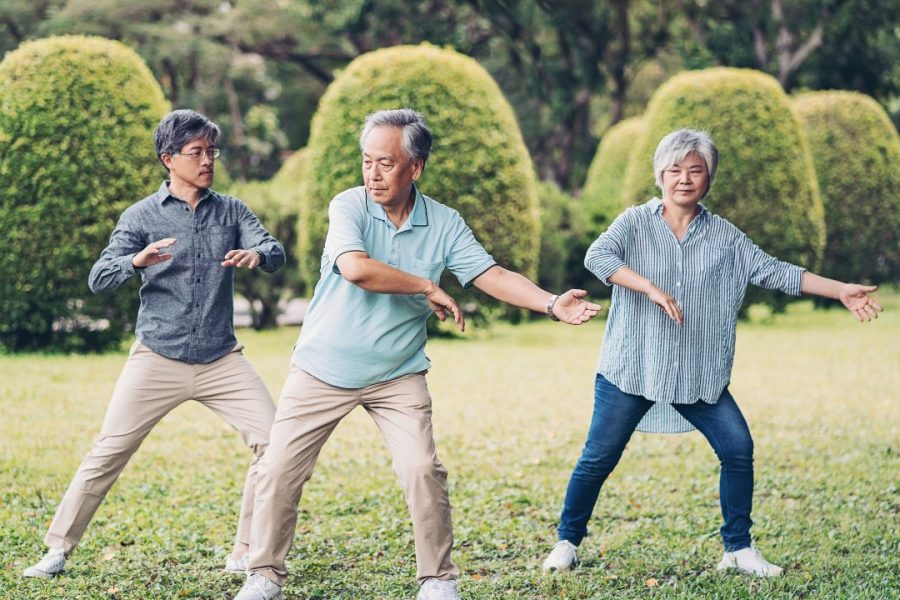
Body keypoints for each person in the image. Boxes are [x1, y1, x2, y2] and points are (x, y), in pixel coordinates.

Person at [231, 108, 601, 600]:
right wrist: (426, 284)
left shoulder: (444, 223)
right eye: (367, 162)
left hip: (396, 374)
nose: (373, 174)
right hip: (322, 366)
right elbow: (356, 269)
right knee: (278, 468)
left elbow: (490, 275)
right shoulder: (349, 206)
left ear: (416, 168)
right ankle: (264, 573)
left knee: (422, 469)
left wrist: (551, 304)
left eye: (385, 163)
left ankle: (437, 578)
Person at [540, 128, 883, 578]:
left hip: (697, 372)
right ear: (659, 175)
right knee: (598, 457)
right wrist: (650, 288)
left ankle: (738, 549)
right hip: (633, 365)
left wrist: (840, 290)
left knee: (738, 448)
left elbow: (776, 272)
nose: (684, 178)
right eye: (674, 170)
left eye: (695, 170)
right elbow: (598, 257)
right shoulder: (634, 223)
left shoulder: (724, 237)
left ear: (708, 179)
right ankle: (567, 541)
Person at [23, 109, 286, 579]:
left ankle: (246, 550)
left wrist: (257, 254)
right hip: (156, 357)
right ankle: (57, 550)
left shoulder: (232, 210)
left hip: (221, 358)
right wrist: (136, 260)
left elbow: (274, 250)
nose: (207, 161)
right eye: (196, 152)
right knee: (107, 451)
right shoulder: (141, 215)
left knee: (275, 444)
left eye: (211, 151)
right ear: (169, 158)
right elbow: (99, 277)